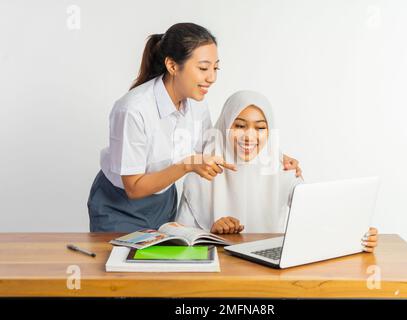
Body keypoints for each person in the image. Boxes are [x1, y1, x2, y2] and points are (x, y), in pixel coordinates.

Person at [87, 23, 301, 232]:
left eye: (215, 68)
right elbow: (133, 187)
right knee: (122, 264)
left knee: (159, 265)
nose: (212, 77)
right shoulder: (132, 110)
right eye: (203, 68)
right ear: (172, 66)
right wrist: (186, 165)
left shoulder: (197, 103)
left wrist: (277, 156)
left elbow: (215, 145)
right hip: (119, 204)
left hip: (163, 201)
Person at [176, 90, 378, 252]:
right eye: (239, 125)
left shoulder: (283, 169)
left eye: (260, 128)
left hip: (269, 267)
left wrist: (355, 233)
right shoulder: (200, 173)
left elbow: (315, 215)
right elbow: (178, 237)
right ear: (224, 126)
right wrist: (212, 233)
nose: (249, 136)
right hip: (218, 273)